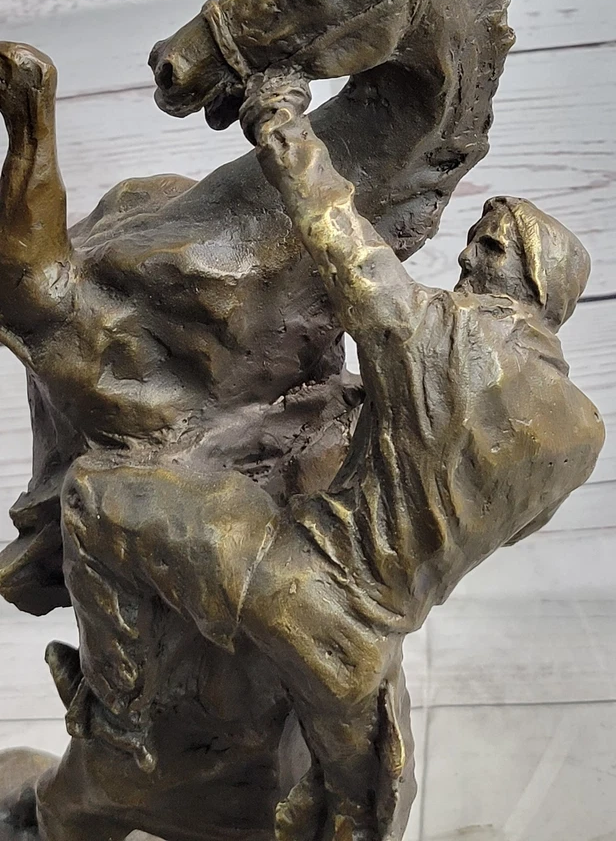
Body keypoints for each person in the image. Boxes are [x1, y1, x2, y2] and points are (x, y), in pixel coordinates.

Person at [43, 72, 604, 841]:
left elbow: (340, 237)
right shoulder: (582, 434)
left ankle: (118, 715)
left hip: (303, 587)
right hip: (368, 655)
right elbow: (497, 518)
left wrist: (279, 121)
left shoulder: (448, 337)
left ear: (536, 278)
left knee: (92, 492)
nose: (469, 259)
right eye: (475, 241)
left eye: (491, 247)